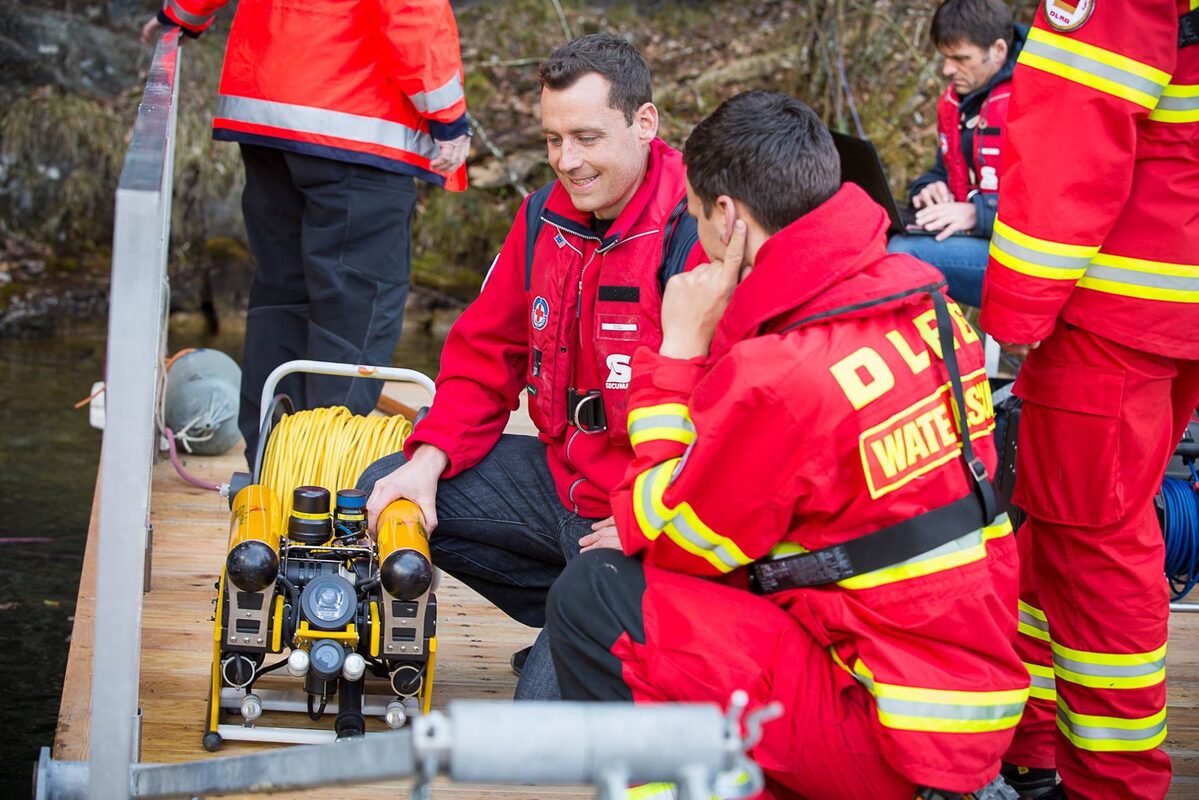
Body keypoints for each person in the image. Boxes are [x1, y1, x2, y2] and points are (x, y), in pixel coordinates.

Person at [546, 90, 1028, 800]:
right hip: (967, 709)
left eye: (691, 215)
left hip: (880, 734)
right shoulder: (927, 301)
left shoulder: (782, 375)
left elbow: (666, 537)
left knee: (595, 594)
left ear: (726, 217)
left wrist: (678, 349)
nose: (692, 237)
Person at [356, 33, 702, 700]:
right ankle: (568, 620)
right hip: (564, 487)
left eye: (586, 137)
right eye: (551, 140)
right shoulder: (542, 216)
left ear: (644, 122)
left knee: (536, 712)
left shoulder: (696, 230)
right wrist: (426, 459)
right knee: (391, 488)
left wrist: (647, 516)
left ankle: (604, 627)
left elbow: (738, 421)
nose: (566, 161)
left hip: (647, 525)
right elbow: (484, 359)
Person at [979, 0, 1199, 797]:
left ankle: (1112, 781)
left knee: (1092, 541)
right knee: (1050, 521)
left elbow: (1073, 128)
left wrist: (1015, 312)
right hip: (1165, 291)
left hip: (1110, 304)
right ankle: (1033, 744)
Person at [141, 0, 472, 462]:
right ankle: (319, 471)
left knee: (282, 291)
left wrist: (181, 15)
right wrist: (449, 118)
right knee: (356, 304)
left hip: (263, 105)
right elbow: (411, 10)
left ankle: (269, 459)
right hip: (354, 115)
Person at [887, 0, 1027, 308]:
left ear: (999, 50)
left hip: (1025, 259)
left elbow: (1053, 205)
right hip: (978, 238)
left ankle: (935, 352)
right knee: (877, 234)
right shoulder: (964, 99)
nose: (947, 69)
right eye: (945, 57)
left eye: (961, 58)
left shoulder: (1034, 102)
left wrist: (978, 213)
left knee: (900, 256)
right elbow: (943, 169)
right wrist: (928, 188)